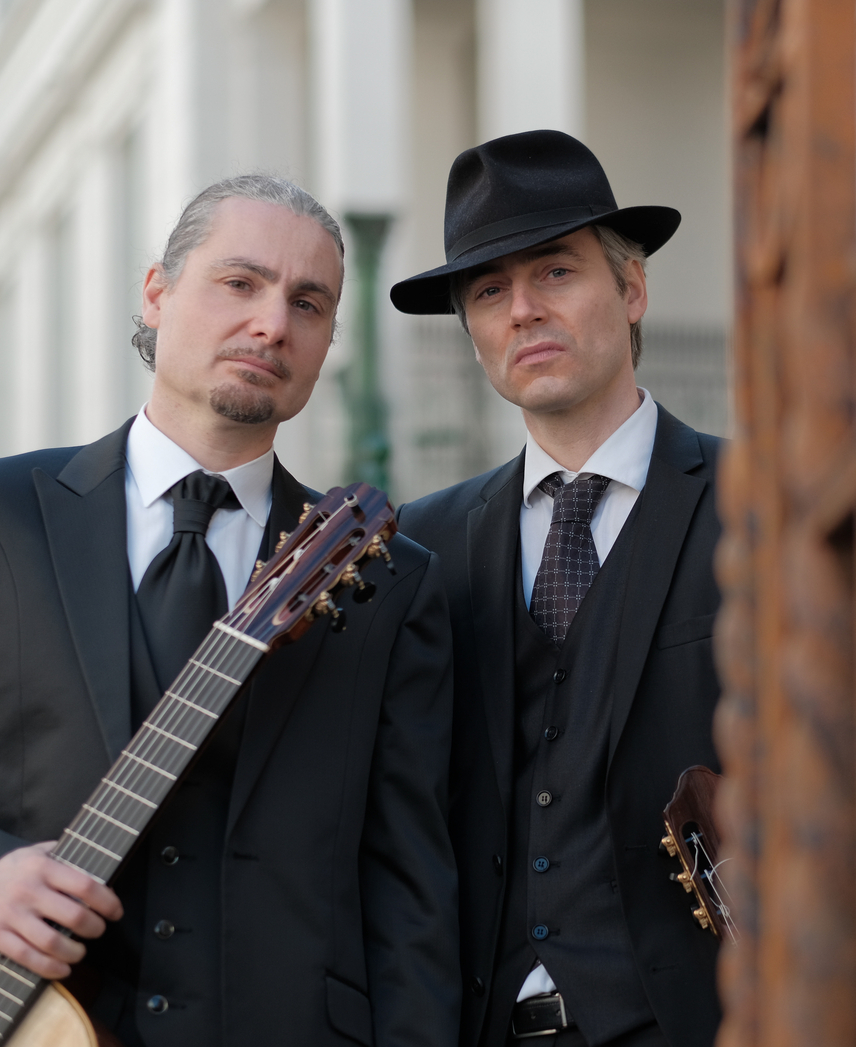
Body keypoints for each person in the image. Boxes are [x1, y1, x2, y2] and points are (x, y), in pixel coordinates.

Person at [0, 175, 460, 1047]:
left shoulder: (390, 580)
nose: (272, 323)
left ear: (325, 344)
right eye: (240, 282)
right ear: (157, 293)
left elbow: (413, 889)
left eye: (308, 303)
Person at [390, 131, 722, 1047]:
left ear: (632, 288)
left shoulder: (762, 507)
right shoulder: (422, 545)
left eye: (556, 272)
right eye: (489, 291)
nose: (524, 310)